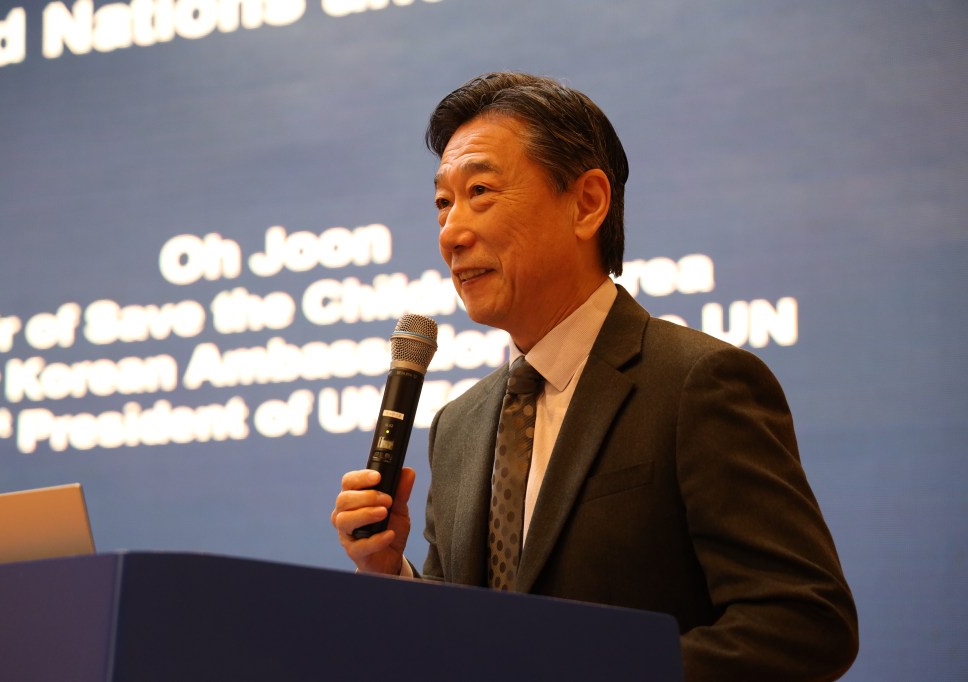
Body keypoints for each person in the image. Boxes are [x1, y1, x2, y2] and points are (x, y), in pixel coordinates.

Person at [331, 71, 858, 680]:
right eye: (443, 204)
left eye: (480, 191)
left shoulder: (698, 384)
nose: (452, 233)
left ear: (586, 204)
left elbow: (806, 621)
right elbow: (468, 631)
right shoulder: (457, 425)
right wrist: (392, 577)